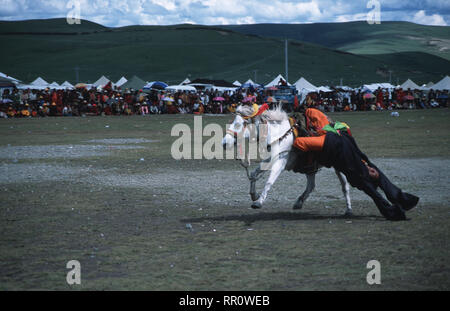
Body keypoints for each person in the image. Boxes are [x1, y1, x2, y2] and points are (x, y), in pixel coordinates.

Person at [292, 107, 419, 221]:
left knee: (372, 191)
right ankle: (404, 200)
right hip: (361, 160)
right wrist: (366, 165)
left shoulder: (323, 139)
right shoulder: (341, 129)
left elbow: (298, 143)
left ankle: (394, 212)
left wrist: (312, 135)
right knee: (381, 179)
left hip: (352, 169)